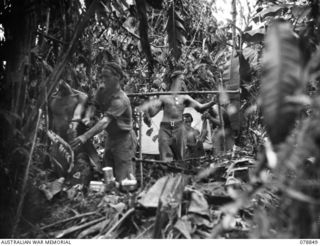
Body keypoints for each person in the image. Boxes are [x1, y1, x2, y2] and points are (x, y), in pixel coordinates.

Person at [71, 62, 136, 182]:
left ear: (117, 78)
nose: (103, 79)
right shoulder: (102, 90)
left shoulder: (121, 100)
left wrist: (84, 137)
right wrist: (88, 116)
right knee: (108, 174)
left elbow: (105, 122)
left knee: (124, 179)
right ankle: (110, 198)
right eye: (102, 76)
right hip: (110, 137)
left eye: (106, 76)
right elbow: (94, 104)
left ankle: (126, 197)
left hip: (124, 140)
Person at [140, 70, 215, 161]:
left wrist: (213, 102)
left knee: (180, 158)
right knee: (166, 159)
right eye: (180, 80)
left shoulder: (185, 97)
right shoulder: (164, 96)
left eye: (183, 80)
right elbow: (152, 113)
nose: (182, 82)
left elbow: (200, 108)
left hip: (179, 128)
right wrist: (148, 103)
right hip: (165, 128)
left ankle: (180, 173)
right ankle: (167, 172)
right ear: (173, 79)